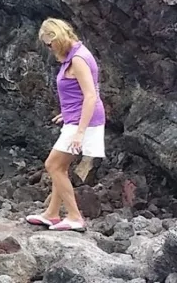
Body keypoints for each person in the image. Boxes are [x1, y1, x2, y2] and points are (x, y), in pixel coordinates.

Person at [24, 18, 106, 233]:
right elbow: (78, 93)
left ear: (57, 38)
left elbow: (90, 96)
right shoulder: (75, 54)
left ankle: (74, 217)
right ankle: (51, 214)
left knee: (52, 165)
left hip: (83, 124)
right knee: (60, 167)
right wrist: (67, 112)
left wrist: (79, 132)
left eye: (49, 44)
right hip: (76, 118)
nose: (49, 49)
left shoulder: (77, 59)